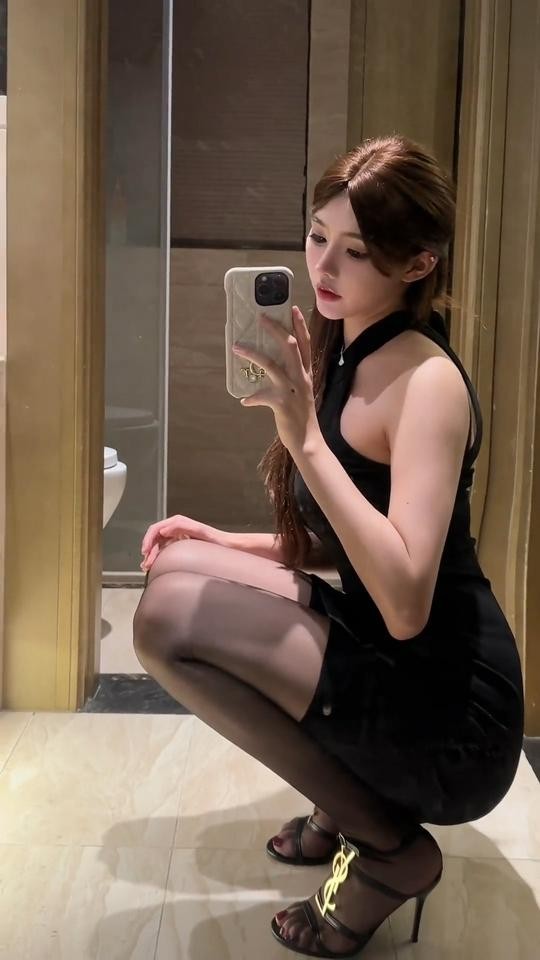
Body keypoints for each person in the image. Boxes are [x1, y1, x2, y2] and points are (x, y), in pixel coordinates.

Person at [133, 134, 524, 958]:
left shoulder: (426, 383)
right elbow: (337, 540)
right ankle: (346, 796)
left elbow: (406, 603)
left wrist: (305, 437)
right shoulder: (344, 341)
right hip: (387, 652)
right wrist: (219, 537)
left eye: (357, 251)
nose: (324, 266)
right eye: (317, 237)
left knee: (169, 622)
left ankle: (385, 847)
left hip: (451, 715)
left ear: (417, 264)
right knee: (178, 568)